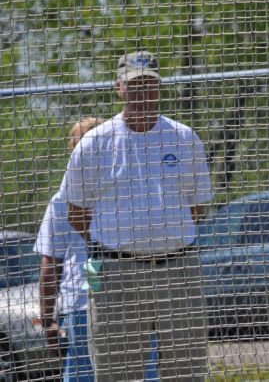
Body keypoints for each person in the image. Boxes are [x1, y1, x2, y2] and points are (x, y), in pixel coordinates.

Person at [64, 51, 213, 382]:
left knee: (186, 371)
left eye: (150, 85)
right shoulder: (93, 145)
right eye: (134, 86)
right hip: (115, 275)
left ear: (159, 88)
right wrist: (116, 244)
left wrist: (163, 237)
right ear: (118, 88)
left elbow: (196, 206)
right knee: (116, 372)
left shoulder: (185, 138)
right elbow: (76, 212)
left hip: (179, 271)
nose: (143, 94)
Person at [36, 118, 161, 382]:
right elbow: (50, 265)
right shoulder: (135, 190)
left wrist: (48, 320)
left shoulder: (65, 200)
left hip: (108, 302)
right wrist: (47, 318)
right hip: (112, 302)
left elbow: (50, 265)